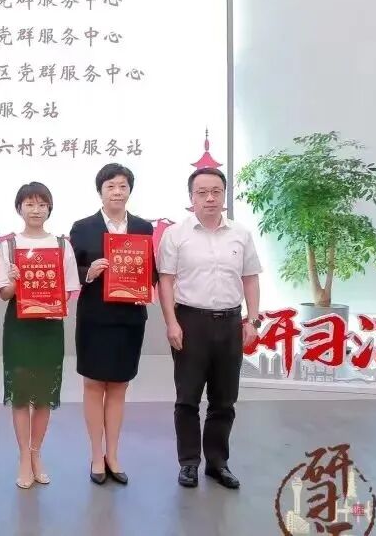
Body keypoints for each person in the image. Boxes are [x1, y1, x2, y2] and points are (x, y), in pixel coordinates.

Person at [157, 167, 262, 490]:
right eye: (202, 192)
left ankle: (218, 463)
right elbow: (166, 281)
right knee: (187, 398)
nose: (210, 198)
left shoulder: (240, 234)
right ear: (191, 197)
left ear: (224, 195)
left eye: (216, 191)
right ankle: (189, 463)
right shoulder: (176, 234)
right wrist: (171, 322)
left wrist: (253, 320)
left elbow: (250, 278)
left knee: (224, 400)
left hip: (230, 322)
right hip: (191, 321)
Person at [69, 163, 157, 485]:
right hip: (95, 318)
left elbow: (152, 270)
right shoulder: (83, 227)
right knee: (94, 385)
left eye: (122, 186)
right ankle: (96, 455)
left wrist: (145, 281)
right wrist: (89, 272)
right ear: (100, 192)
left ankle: (114, 455)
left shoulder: (143, 227)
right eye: (110, 187)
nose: (117, 192)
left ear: (129, 190)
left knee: (119, 386)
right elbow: (70, 271)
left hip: (129, 318)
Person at [0, 182, 80, 489]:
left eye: (42, 204)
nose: (36, 210)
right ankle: (23, 457)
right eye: (29, 204)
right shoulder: (9, 246)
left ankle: (36, 454)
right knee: (20, 394)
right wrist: (15, 282)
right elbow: (4, 294)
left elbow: (67, 290)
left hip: (49, 326)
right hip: (19, 327)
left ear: (49, 209)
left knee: (44, 394)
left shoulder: (61, 245)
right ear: (19, 208)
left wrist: (48, 299)